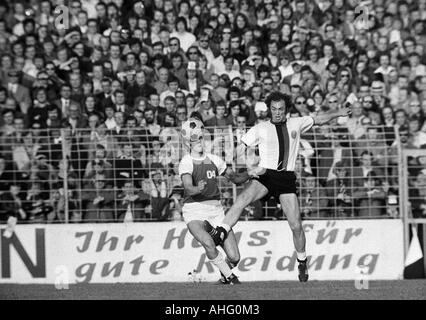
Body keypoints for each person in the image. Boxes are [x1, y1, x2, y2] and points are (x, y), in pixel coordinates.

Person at [205, 91, 351, 282]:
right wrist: (236, 162)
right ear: (269, 110)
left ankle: (302, 261)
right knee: (241, 200)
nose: (277, 112)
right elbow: (241, 148)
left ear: (286, 109)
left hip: (286, 178)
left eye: (281, 109)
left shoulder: (296, 123)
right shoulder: (261, 128)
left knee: (296, 225)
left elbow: (319, 119)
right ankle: (221, 232)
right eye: (273, 109)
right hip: (266, 174)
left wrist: (338, 111)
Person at [178, 117, 251, 284]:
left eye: (200, 137)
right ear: (188, 142)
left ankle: (225, 277)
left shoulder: (215, 160)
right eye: (194, 139)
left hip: (216, 211)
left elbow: (236, 179)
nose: (198, 141)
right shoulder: (186, 162)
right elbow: (188, 188)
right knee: (209, 243)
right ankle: (231, 277)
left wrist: (251, 173)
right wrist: (198, 188)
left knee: (234, 257)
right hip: (194, 210)